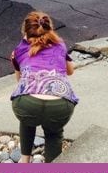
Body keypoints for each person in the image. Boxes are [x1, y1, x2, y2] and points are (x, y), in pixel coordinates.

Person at [10, 11, 78, 163]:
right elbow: (70, 71)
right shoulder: (59, 45)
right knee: (54, 133)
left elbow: (20, 81)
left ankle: (25, 159)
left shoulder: (18, 51)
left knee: (27, 119)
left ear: (25, 31)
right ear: (49, 28)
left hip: (27, 104)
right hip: (61, 104)